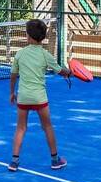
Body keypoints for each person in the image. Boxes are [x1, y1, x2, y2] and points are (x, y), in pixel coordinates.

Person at [8, 18, 71, 172]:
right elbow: (60, 71)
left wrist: (11, 93)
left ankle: (14, 162)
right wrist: (70, 73)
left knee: (20, 128)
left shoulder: (20, 54)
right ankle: (55, 160)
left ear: (28, 36)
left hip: (23, 97)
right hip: (39, 99)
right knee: (47, 127)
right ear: (42, 37)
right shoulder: (45, 55)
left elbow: (13, 75)